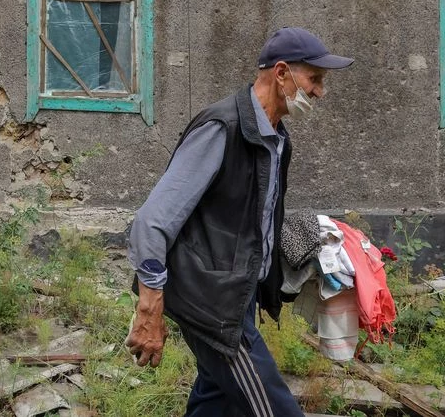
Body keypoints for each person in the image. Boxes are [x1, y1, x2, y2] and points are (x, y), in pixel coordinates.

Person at [125, 27, 353, 417]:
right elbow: (151, 221)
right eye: (314, 79)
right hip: (212, 304)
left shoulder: (277, 139)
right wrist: (149, 308)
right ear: (281, 73)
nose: (320, 92)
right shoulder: (223, 128)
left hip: (236, 297)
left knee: (215, 403)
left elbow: (249, 217)